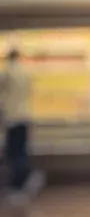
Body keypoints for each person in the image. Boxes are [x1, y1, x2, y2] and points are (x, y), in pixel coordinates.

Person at [1, 49, 44, 202]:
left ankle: (21, 183)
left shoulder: (6, 72)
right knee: (21, 152)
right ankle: (24, 181)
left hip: (12, 119)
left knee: (14, 154)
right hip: (25, 117)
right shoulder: (25, 73)